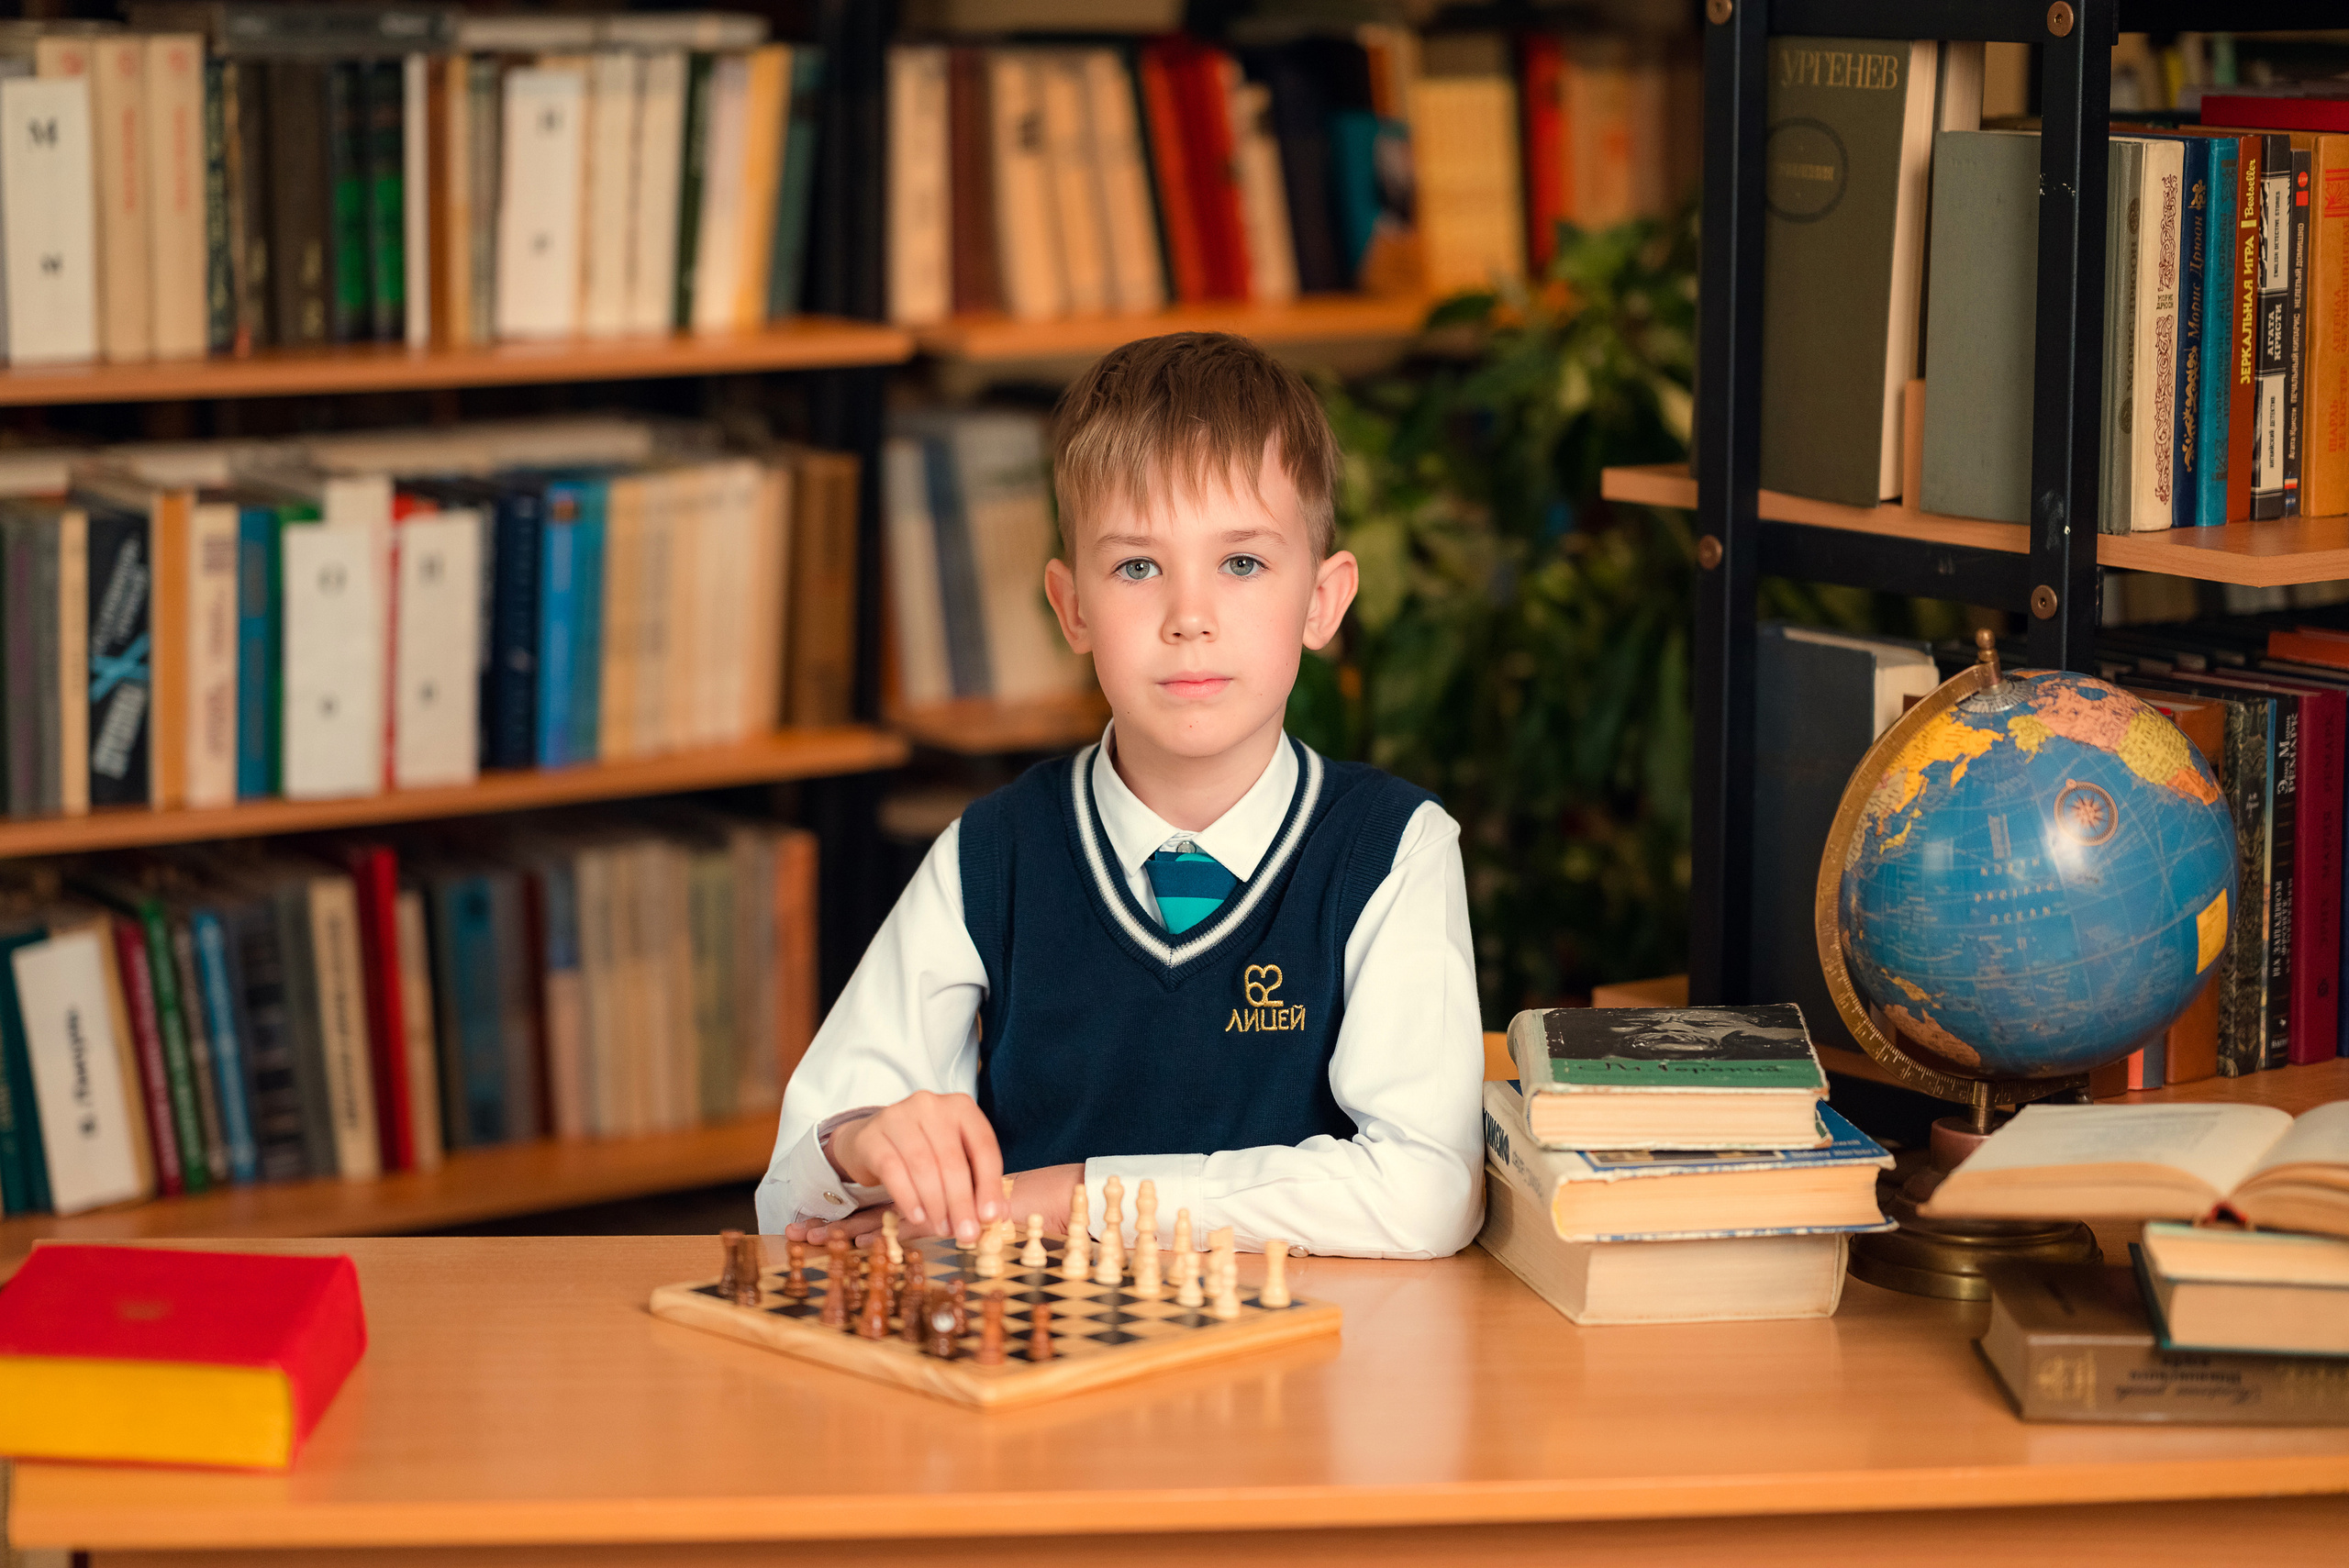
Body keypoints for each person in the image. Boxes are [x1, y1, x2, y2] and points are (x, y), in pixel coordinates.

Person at [753, 332, 1483, 1258]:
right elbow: (791, 1203)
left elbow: (1426, 1193)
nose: (1189, 616)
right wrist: (859, 1142)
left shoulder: (1393, 850)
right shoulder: (991, 854)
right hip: (1040, 1371)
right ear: (1072, 607)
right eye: (1138, 566)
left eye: (1243, 563)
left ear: (1323, 600)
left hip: (1303, 1374)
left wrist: (1068, 1197)